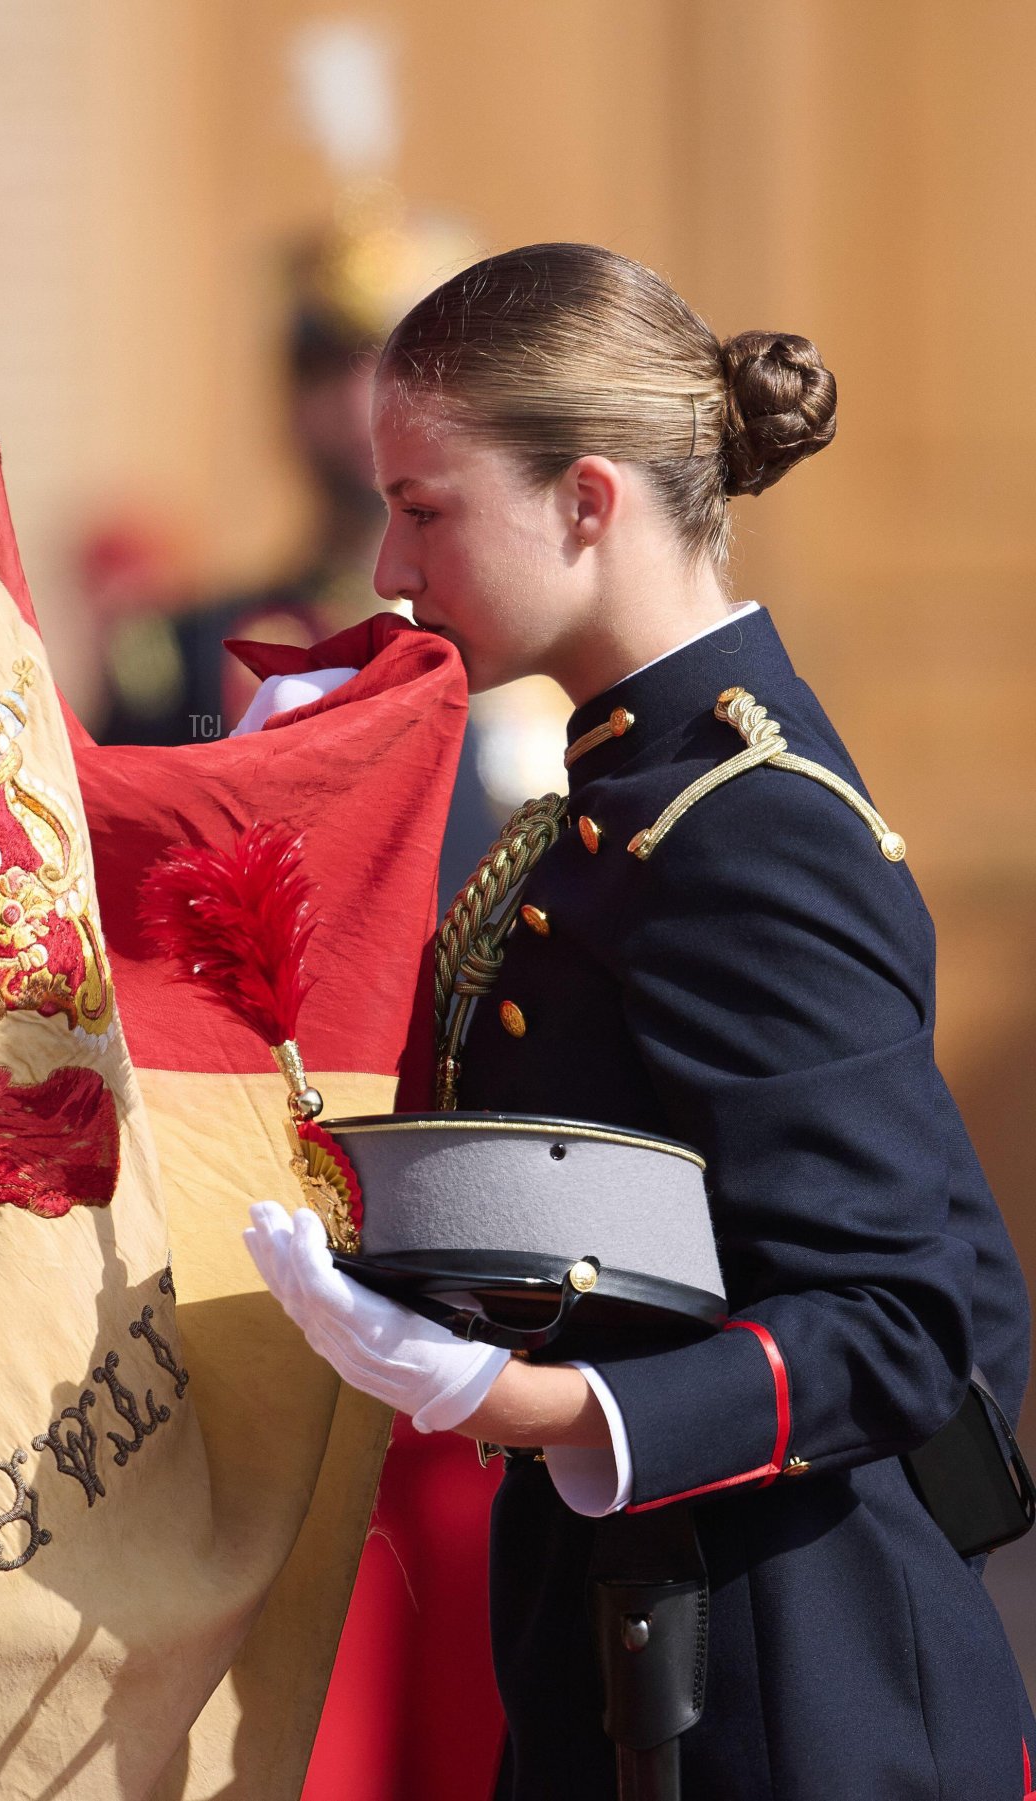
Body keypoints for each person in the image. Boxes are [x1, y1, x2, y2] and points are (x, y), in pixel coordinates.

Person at [244, 243, 1036, 1799]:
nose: (390, 569)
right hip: (634, 1652)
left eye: (426, 507)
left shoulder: (749, 825)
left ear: (586, 501)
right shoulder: (623, 795)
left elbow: (908, 1320)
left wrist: (526, 1401)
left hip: (789, 1687)